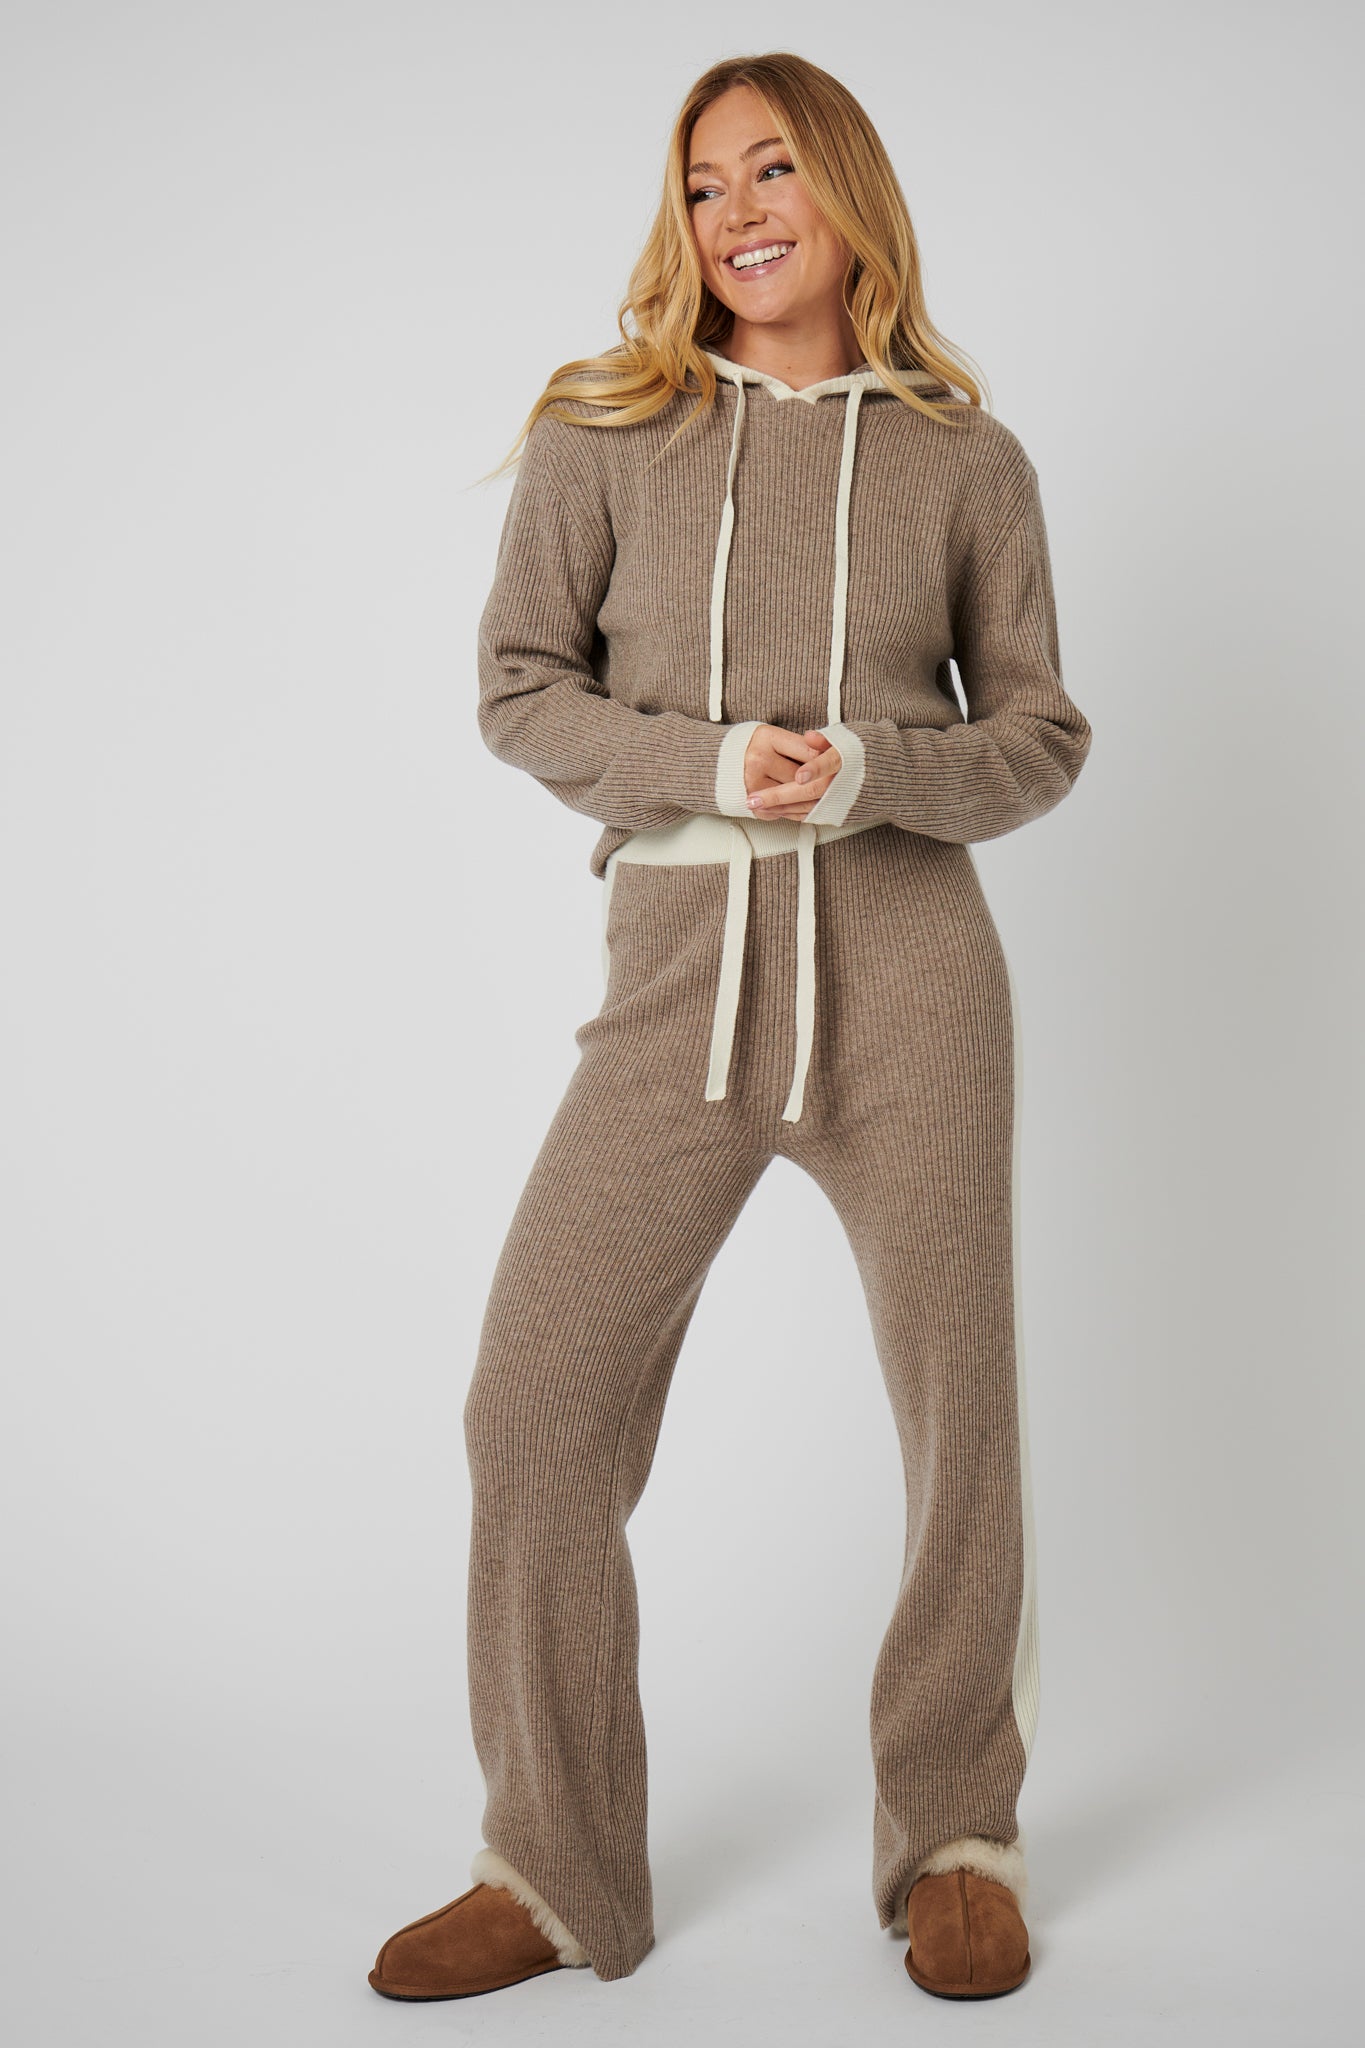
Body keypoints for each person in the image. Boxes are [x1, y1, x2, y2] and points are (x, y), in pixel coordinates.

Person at [369, 49, 1092, 2006]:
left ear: (845, 188)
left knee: (959, 1420)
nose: (736, 213)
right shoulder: (603, 431)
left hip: (913, 976)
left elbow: (1038, 735)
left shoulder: (965, 458)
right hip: (677, 977)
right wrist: (706, 761)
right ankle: (552, 1868)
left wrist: (869, 768)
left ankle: (953, 1835)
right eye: (701, 186)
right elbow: (519, 689)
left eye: (771, 169)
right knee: (533, 1408)